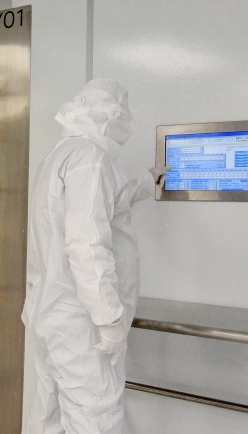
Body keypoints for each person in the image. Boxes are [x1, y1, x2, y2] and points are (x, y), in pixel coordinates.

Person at [23, 79, 164, 434]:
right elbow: (87, 244)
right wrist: (108, 319)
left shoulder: (63, 155)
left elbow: (107, 202)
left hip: (50, 312)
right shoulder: (91, 159)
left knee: (49, 413)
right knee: (94, 416)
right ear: (111, 116)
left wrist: (146, 181)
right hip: (80, 321)